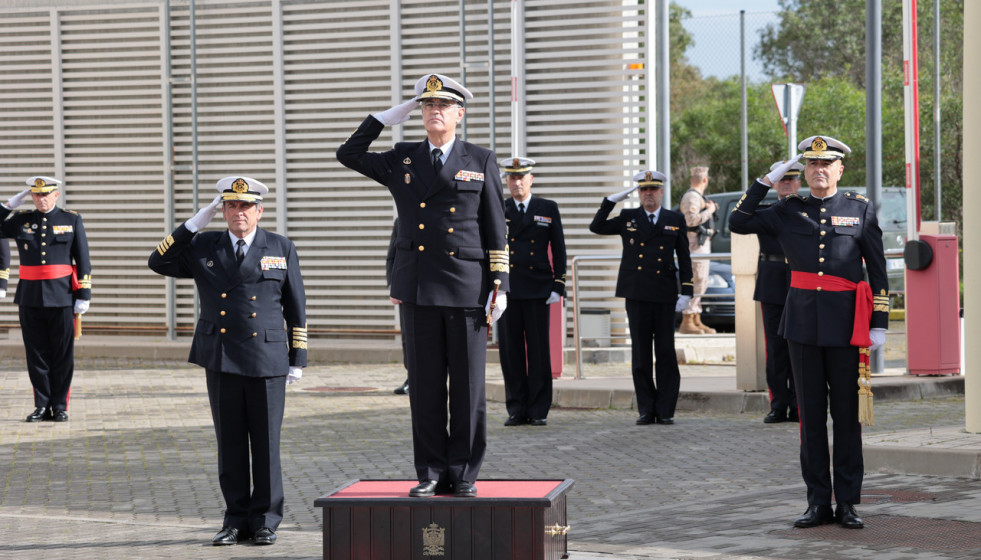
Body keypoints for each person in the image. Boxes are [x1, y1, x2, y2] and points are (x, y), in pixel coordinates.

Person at [336, 73, 509, 499]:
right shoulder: (402, 157)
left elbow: (496, 227)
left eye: (443, 105)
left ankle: (464, 471)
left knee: (468, 388)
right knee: (426, 385)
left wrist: (500, 284)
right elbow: (348, 154)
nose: (435, 111)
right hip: (417, 286)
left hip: (467, 285)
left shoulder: (480, 159)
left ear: (459, 114)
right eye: (426, 105)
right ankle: (431, 470)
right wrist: (382, 118)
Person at [729, 136, 889, 530]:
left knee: (847, 419)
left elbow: (879, 272)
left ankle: (848, 502)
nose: (818, 170)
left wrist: (879, 322)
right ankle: (818, 502)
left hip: (846, 328)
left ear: (839, 169)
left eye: (826, 164)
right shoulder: (786, 210)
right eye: (811, 165)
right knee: (811, 419)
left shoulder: (859, 210)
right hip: (801, 325)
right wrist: (765, 181)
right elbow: (738, 221)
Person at [148, 176, 306, 546]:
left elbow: (296, 306)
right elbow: (157, 261)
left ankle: (265, 519)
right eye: (231, 206)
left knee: (266, 445)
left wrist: (297, 357)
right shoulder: (205, 244)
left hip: (267, 358)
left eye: (246, 206)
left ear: (259, 210)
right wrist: (191, 225)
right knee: (231, 444)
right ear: (222, 211)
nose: (239, 212)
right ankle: (235, 519)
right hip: (222, 356)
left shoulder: (280, 246)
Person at [589, 171, 693, 426]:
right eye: (643, 189)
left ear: (661, 192)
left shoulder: (674, 218)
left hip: (664, 293)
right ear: (638, 193)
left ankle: (666, 409)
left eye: (653, 189)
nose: (648, 193)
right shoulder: (628, 217)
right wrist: (611, 200)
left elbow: (684, 255)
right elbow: (597, 226)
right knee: (641, 353)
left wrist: (687, 290)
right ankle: (646, 408)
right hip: (636, 293)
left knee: (666, 352)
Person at [0, 177, 91, 423]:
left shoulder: (71, 220)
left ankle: (60, 405)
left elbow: (83, 257)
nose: (41, 199)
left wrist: (84, 293)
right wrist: (8, 205)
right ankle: (41, 404)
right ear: (31, 196)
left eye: (46, 194)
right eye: (36, 195)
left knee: (62, 354)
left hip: (62, 296)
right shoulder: (21, 220)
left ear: (56, 195)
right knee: (36, 354)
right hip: (30, 297)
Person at [498, 156, 566, 427]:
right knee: (510, 352)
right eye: (512, 178)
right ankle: (516, 408)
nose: (516, 182)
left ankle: (539, 409)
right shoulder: (498, 208)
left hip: (538, 288)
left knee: (538, 352)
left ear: (531, 179)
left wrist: (558, 285)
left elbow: (558, 249)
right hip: (509, 289)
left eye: (521, 177)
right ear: (507, 181)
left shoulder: (547, 208)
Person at [756, 160, 803, 424]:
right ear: (775, 183)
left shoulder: (808, 210)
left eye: (791, 179)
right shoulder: (764, 212)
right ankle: (778, 404)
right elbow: (741, 215)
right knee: (775, 349)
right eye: (782, 180)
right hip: (772, 282)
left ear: (799, 182)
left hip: (800, 281)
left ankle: (799, 404)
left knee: (798, 346)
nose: (787, 184)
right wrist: (764, 182)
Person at [678, 166, 719, 334]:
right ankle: (687, 320)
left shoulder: (698, 197)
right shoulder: (691, 197)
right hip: (693, 244)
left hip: (700, 245)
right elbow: (691, 220)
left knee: (701, 282)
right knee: (696, 281)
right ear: (705, 180)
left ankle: (696, 318)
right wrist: (709, 211)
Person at [386, 218, 409, 395]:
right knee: (408, 339)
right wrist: (394, 286)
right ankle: (412, 377)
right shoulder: (402, 220)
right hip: (407, 291)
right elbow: (392, 256)